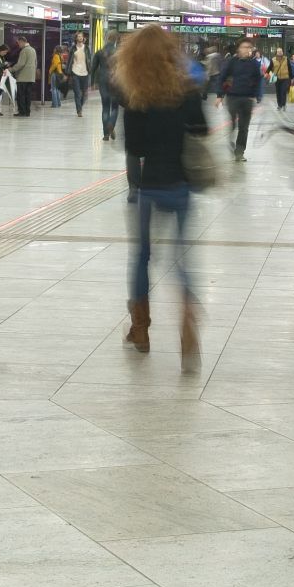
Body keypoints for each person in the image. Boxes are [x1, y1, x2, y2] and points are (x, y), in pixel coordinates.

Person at [115, 26, 208, 372]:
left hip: (148, 187)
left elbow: (133, 148)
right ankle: (188, 324)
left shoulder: (134, 93)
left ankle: (140, 330)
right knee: (182, 257)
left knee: (142, 256)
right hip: (181, 184)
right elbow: (200, 130)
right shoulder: (188, 89)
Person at [217, 38, 263, 161]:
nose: (247, 49)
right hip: (232, 97)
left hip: (247, 98)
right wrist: (219, 95)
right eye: (244, 47)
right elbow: (222, 77)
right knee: (233, 123)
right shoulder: (231, 62)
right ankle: (231, 137)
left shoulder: (254, 64)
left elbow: (258, 80)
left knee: (244, 127)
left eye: (249, 47)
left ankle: (239, 152)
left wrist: (258, 95)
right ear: (238, 49)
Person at [91, 35, 121, 140]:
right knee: (115, 107)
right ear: (116, 40)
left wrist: (92, 83)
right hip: (115, 81)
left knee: (105, 107)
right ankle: (111, 125)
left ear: (107, 39)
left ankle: (106, 135)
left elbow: (93, 68)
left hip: (103, 81)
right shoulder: (119, 53)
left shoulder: (99, 52)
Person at [12, 36, 38, 116]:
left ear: (22, 42)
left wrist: (11, 69)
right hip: (30, 77)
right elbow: (35, 63)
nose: (18, 45)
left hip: (22, 77)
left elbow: (21, 64)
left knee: (21, 95)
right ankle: (27, 112)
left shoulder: (24, 51)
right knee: (28, 95)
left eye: (18, 43)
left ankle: (22, 112)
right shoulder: (33, 50)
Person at [69, 37, 90, 115]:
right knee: (77, 93)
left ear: (83, 38)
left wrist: (90, 69)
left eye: (81, 36)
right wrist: (69, 72)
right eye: (78, 36)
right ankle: (79, 110)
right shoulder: (73, 48)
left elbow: (89, 59)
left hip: (85, 73)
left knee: (84, 94)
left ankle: (79, 106)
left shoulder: (87, 48)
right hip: (75, 72)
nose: (80, 38)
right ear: (76, 38)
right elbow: (69, 61)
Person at [271, 47, 291, 111]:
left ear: (282, 52)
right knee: (278, 92)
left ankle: (284, 104)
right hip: (277, 79)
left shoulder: (286, 59)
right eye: (278, 51)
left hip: (285, 78)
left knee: (283, 91)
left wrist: (292, 77)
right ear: (276, 52)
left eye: (281, 51)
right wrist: (266, 73)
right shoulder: (273, 59)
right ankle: (279, 105)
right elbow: (269, 67)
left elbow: (290, 68)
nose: (280, 52)